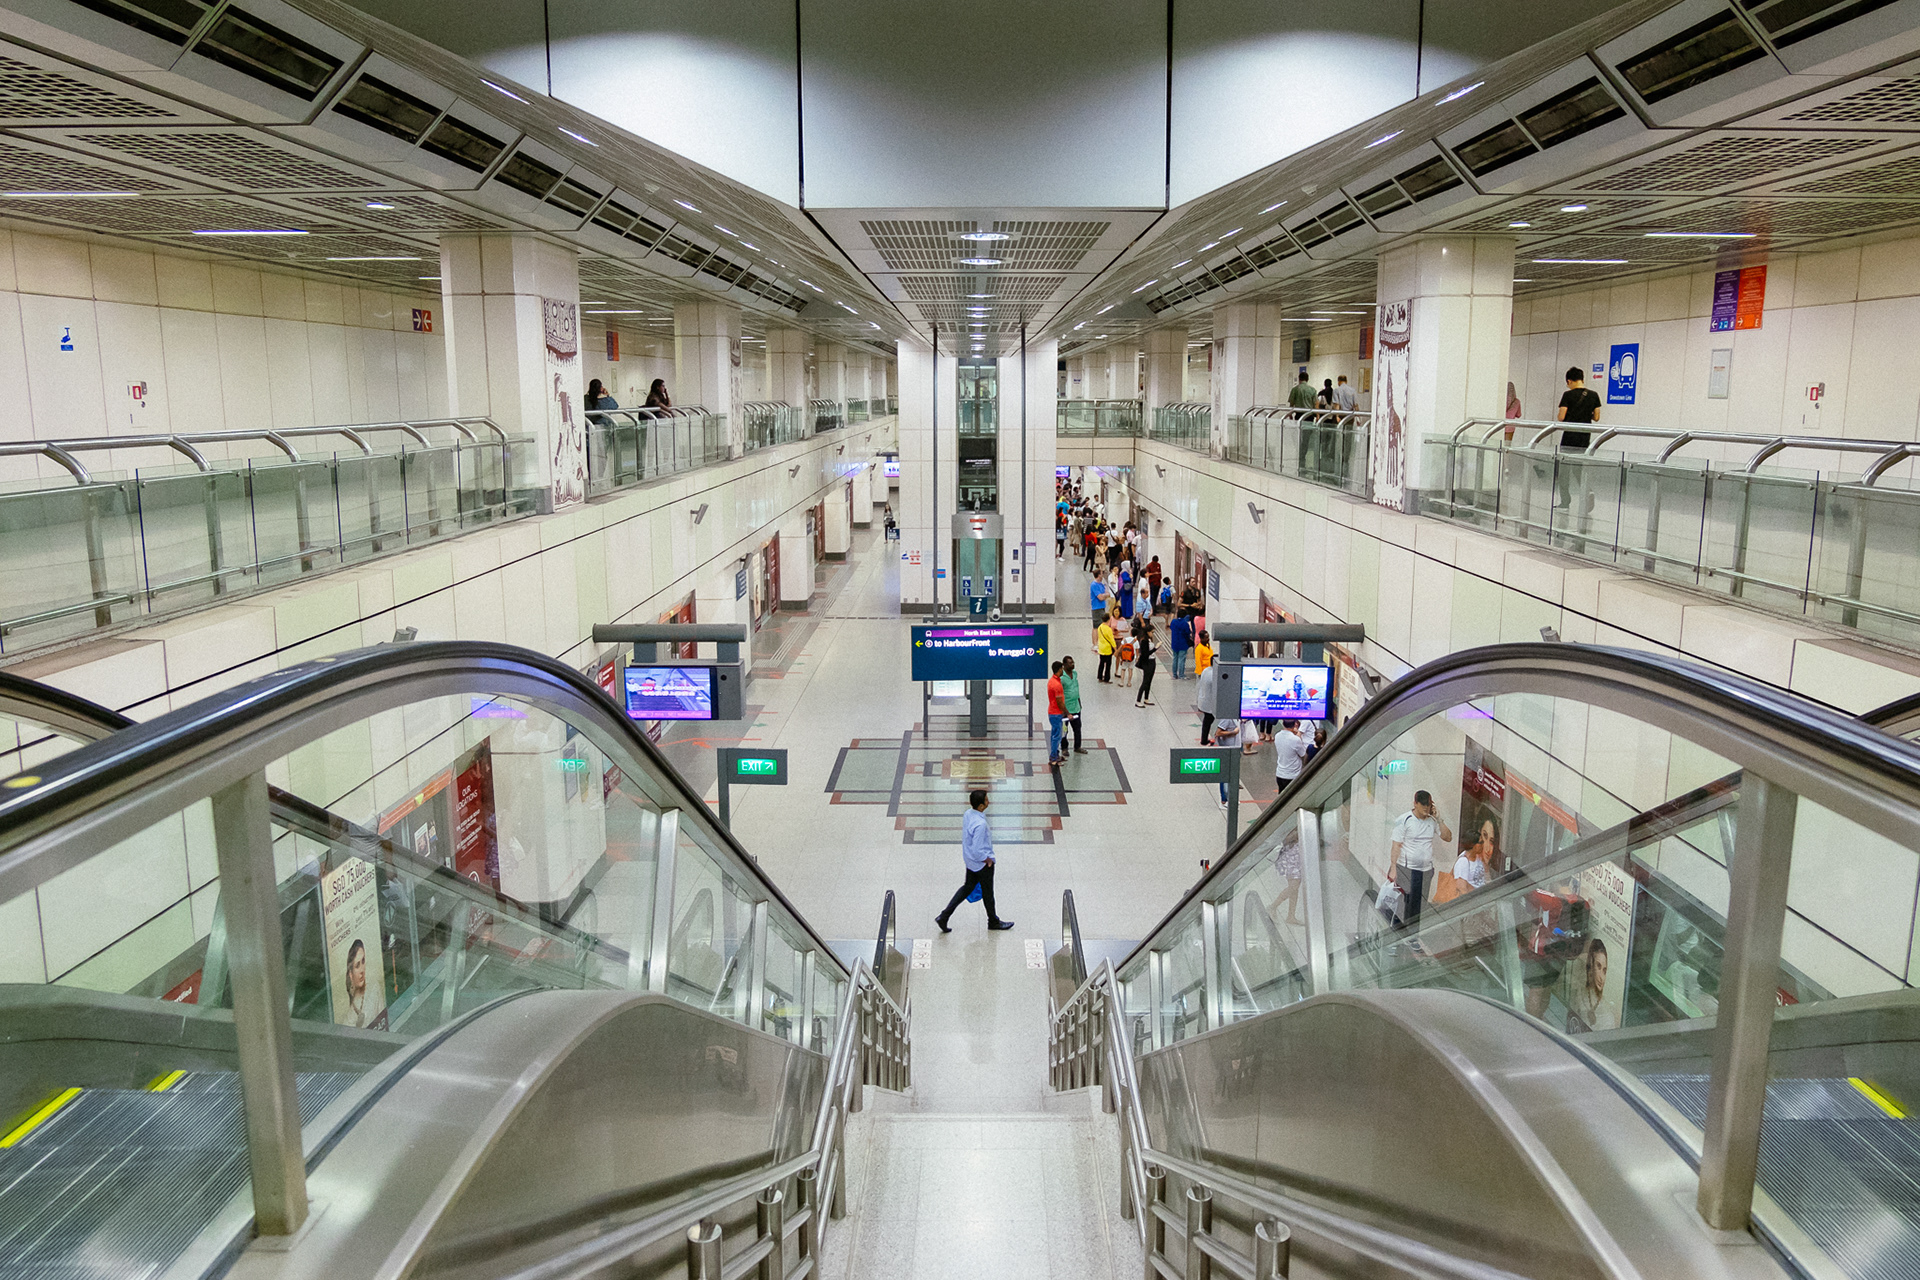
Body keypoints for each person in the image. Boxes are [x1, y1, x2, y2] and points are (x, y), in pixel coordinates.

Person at [935, 790, 1013, 933]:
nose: (989, 801)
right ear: (982, 805)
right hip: (981, 863)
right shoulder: (980, 824)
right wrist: (987, 860)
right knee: (988, 893)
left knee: (967, 887)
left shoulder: (968, 814)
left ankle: (944, 916)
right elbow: (978, 848)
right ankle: (993, 921)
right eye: (987, 799)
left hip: (970, 860)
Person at [1387, 790, 1453, 930]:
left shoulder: (1432, 821)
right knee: (1404, 904)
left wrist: (1439, 819)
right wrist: (1393, 868)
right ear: (1415, 804)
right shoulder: (1404, 820)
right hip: (1407, 868)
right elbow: (1396, 846)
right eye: (1422, 805)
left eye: (1428, 805)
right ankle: (1397, 932)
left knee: (1420, 906)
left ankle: (1414, 935)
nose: (1425, 808)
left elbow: (1448, 837)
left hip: (1425, 870)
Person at [1567, 938, 1612, 1032]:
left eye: (1604, 970)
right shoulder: (1580, 992)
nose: (1601, 977)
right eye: (1598, 966)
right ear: (1590, 965)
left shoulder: (1607, 1016)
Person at [1555, 366, 1600, 452]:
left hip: (1570, 433)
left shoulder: (1567, 395)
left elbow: (1561, 417)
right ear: (1582, 380)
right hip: (1585, 434)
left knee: (1565, 460)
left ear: (1569, 381)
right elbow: (1596, 417)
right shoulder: (1594, 395)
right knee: (1579, 459)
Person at [1210, 714, 1244, 809]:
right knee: (1225, 776)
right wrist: (1233, 732)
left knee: (1232, 775)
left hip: (1234, 750)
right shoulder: (1227, 718)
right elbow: (1218, 733)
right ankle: (1224, 800)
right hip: (1227, 751)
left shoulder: (1236, 718)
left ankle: (1231, 797)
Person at [1273, 719, 1311, 796]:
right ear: (1295, 725)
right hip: (1292, 775)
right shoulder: (1295, 739)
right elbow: (1303, 754)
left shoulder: (1277, 736)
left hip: (1280, 773)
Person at [1061, 655, 1085, 754]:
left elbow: (1076, 689)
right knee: (1064, 730)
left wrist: (1079, 702)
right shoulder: (1062, 678)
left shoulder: (1075, 674)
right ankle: (1064, 748)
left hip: (1076, 707)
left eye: (1073, 662)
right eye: (1070, 663)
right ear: (1064, 665)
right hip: (1065, 709)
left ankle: (1077, 746)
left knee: (1077, 728)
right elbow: (1059, 694)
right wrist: (1063, 710)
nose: (1072, 664)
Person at [1046, 661, 1067, 767]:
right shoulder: (1056, 685)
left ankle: (1055, 754)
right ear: (1059, 669)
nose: (1063, 670)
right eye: (1062, 669)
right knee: (1057, 737)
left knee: (1054, 735)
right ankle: (1053, 758)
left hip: (1052, 712)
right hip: (1056, 713)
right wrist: (1067, 713)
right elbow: (1059, 702)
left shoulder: (1052, 681)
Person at [1133, 618, 1157, 707]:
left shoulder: (1149, 640)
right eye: (1152, 632)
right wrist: (1155, 648)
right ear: (1148, 632)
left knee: (1149, 681)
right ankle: (1138, 700)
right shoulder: (1144, 641)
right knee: (1145, 681)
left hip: (1152, 661)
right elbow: (1145, 654)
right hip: (1147, 662)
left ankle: (1146, 698)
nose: (1152, 634)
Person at [1096, 615, 1117, 683]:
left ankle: (1100, 676)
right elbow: (1111, 640)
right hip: (1107, 649)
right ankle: (1106, 678)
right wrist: (1115, 649)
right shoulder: (1108, 629)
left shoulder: (1100, 627)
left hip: (1101, 648)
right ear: (1108, 620)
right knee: (1108, 665)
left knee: (1101, 663)